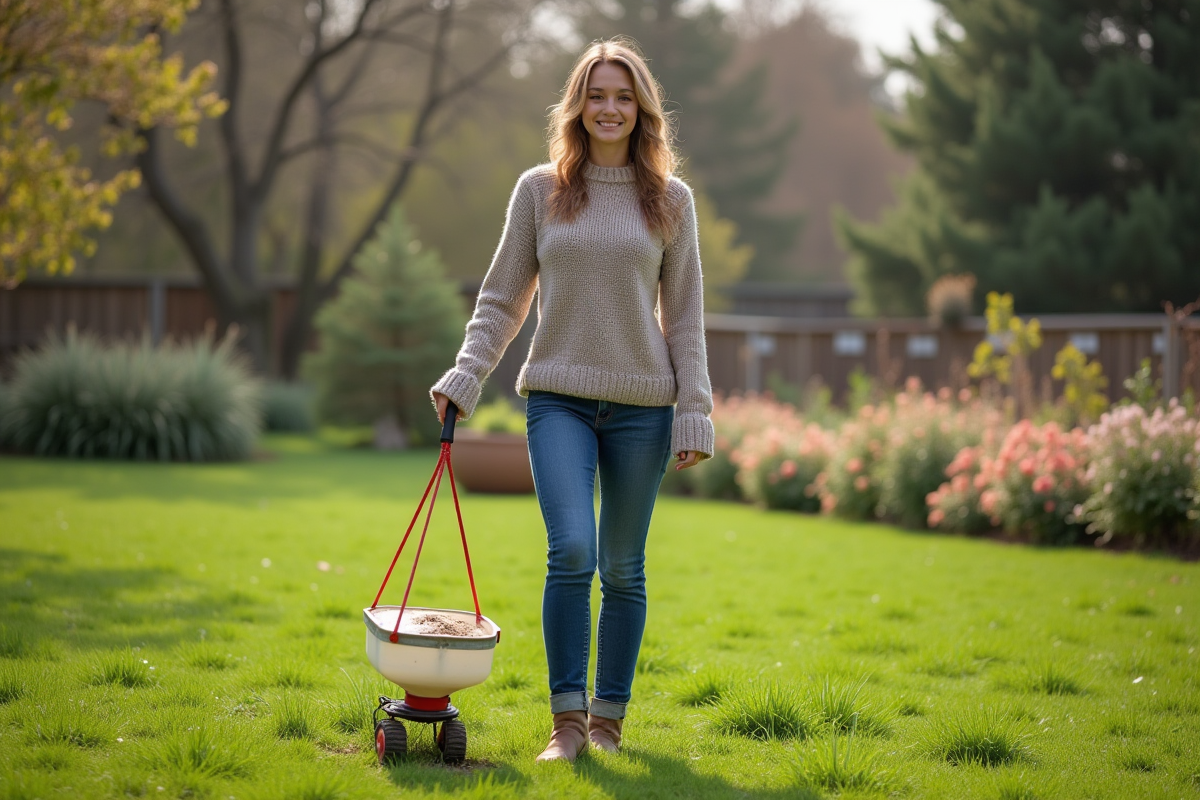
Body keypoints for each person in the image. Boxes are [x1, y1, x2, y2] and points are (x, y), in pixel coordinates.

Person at [430, 37, 713, 764]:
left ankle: (609, 723)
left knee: (623, 566)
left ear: (642, 109)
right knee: (573, 551)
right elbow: (502, 299)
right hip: (557, 397)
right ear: (577, 106)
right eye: (597, 95)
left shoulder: (671, 201)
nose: (609, 108)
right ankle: (566, 724)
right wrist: (466, 373)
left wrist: (695, 411)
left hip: (642, 410)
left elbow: (684, 317)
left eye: (623, 96)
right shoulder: (539, 190)